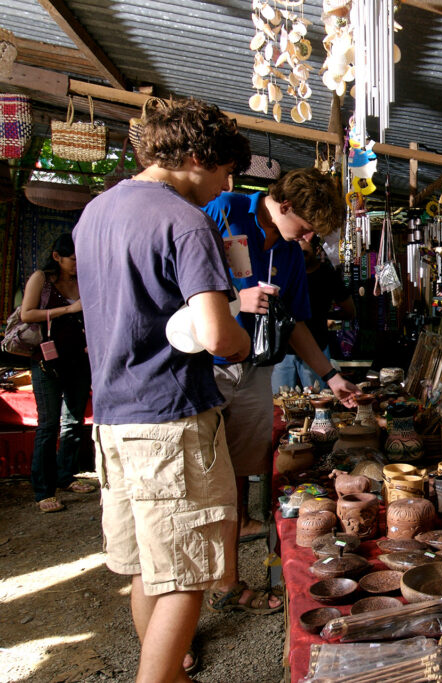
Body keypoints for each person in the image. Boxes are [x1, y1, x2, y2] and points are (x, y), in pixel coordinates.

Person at [73, 97, 252, 682]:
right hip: (170, 419)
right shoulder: (184, 220)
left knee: (149, 569)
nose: (226, 185)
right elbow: (215, 332)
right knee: (188, 573)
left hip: (114, 418)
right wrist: (241, 342)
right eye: (226, 172)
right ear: (198, 156)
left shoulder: (94, 214)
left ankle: (168, 674)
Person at [202, 167, 360, 616]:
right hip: (206, 368)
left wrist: (331, 376)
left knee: (235, 476)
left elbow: (295, 326)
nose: (309, 238)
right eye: (306, 227)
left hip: (253, 371)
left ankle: (228, 580)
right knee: (201, 479)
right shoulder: (227, 210)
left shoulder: (290, 254)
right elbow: (178, 277)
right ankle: (189, 595)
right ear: (284, 205)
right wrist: (234, 301)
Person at [19, 233, 94, 513]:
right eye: (72, 260)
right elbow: (27, 314)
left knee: (73, 421)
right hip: (45, 361)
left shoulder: (83, 278)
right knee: (48, 426)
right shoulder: (42, 279)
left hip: (78, 359)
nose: (77, 265)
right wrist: (68, 309)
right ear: (56, 257)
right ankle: (43, 491)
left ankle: (65, 476)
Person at [271, 234, 355, 392]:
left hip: (315, 346)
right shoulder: (286, 272)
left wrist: (323, 315)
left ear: (317, 249)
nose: (297, 250)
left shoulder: (328, 275)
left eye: (302, 245)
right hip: (283, 349)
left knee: (318, 402)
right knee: (281, 404)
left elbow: (349, 311)